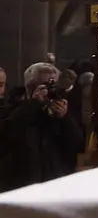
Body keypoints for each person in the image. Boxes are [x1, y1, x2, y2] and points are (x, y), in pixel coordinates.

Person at [0, 63, 83, 192]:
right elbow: (6, 134)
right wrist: (33, 105)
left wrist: (65, 118)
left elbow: (76, 144)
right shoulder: (14, 109)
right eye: (47, 85)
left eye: (54, 85)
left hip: (54, 183)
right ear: (31, 87)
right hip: (20, 185)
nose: (51, 90)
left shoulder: (58, 112)